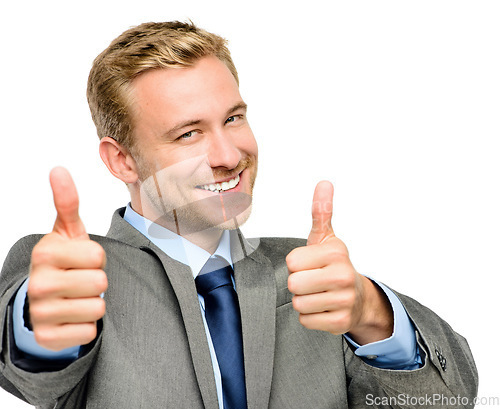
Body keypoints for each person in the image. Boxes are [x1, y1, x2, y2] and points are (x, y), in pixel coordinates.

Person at [0, 21, 477, 408]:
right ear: (122, 160)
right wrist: (42, 324)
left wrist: (371, 312)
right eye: (189, 133)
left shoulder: (312, 273)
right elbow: (31, 375)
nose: (229, 154)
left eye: (232, 118)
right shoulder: (78, 270)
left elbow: (448, 400)